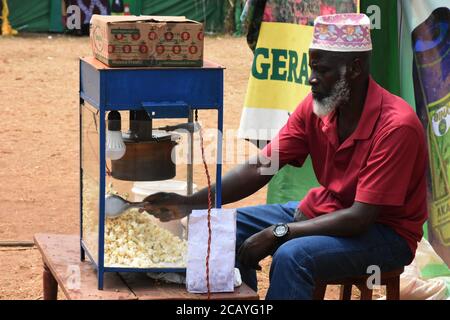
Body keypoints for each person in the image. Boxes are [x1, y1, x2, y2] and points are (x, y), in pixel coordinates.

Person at [141, 13, 428, 300]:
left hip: (385, 234)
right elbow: (263, 165)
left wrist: (280, 232)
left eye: (322, 70)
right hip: (330, 208)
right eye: (311, 67)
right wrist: (192, 201)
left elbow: (360, 218)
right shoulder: (317, 108)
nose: (311, 79)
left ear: (354, 68)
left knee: (293, 256)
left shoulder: (396, 127)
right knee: (225, 229)